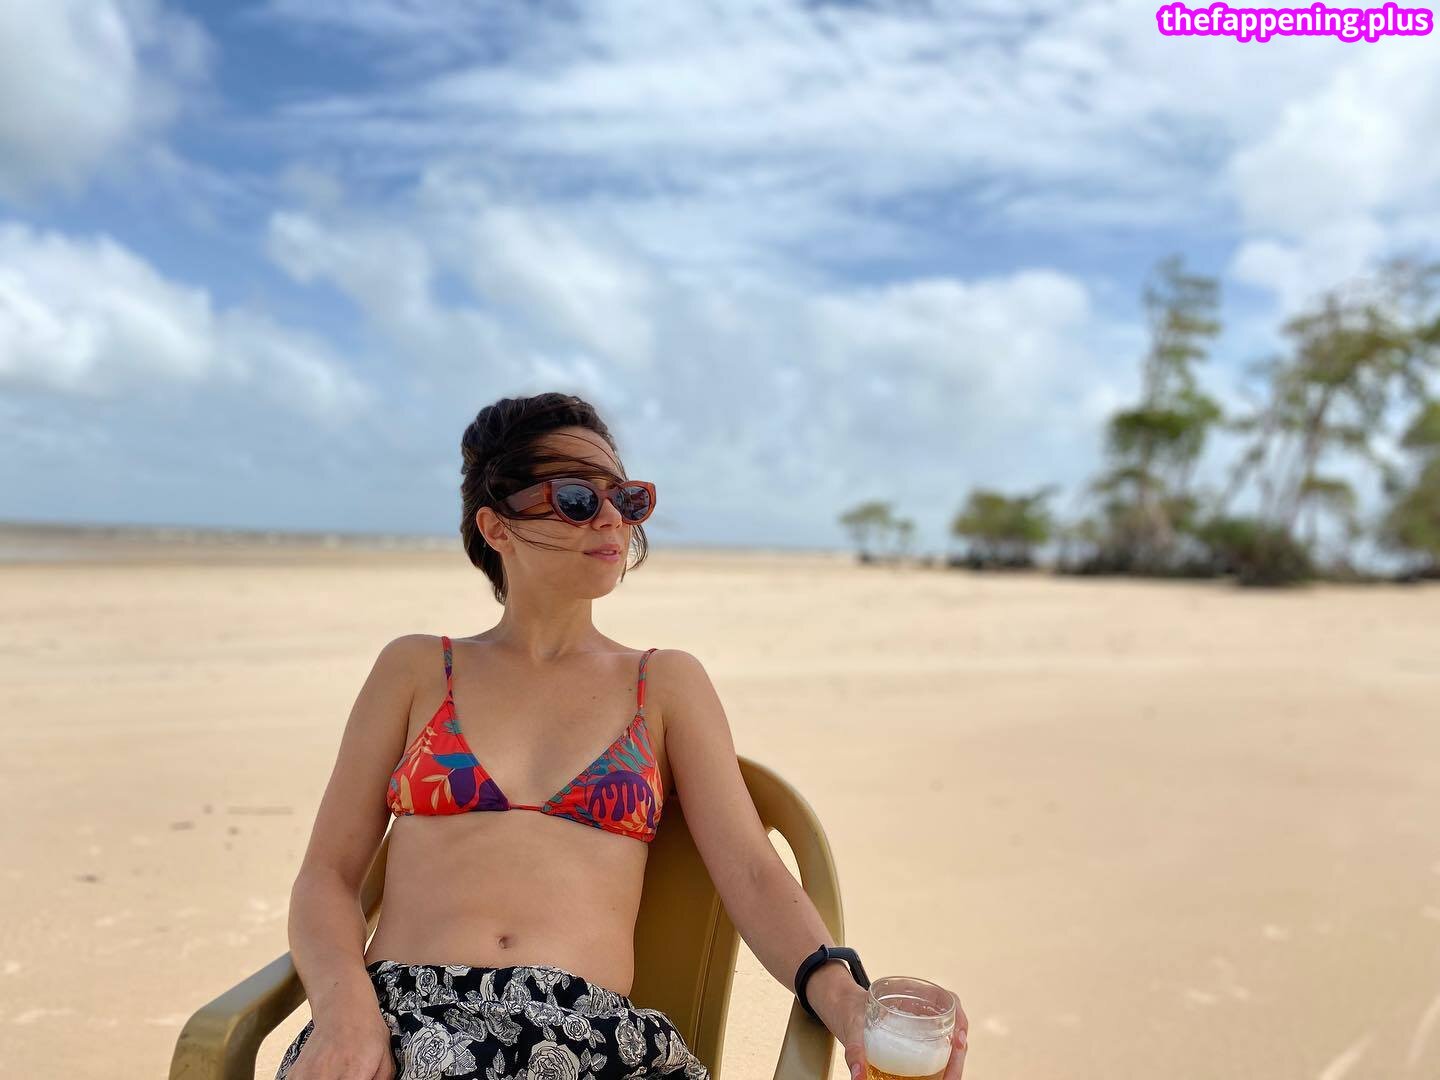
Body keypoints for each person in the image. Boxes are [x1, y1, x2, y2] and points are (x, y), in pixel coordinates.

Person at [275, 392, 968, 1079]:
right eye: (578, 498)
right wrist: (345, 1015)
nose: (612, 519)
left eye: (626, 498)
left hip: (590, 1042)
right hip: (404, 1026)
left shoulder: (663, 683)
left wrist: (847, 1000)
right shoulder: (418, 668)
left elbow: (752, 873)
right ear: (496, 526)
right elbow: (326, 877)